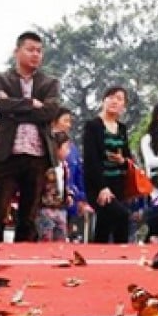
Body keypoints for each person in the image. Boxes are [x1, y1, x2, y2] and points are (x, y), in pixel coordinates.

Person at [0, 31, 60, 242]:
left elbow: (50, 112)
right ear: (17, 52)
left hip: (38, 156)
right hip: (7, 153)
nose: (35, 54)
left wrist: (14, 107)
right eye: (30, 49)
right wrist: (31, 103)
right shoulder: (2, 78)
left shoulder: (49, 83)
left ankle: (25, 255)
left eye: (39, 51)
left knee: (29, 216)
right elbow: (0, 104)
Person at [83, 86, 134, 243]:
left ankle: (100, 255)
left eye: (119, 99)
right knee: (122, 216)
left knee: (104, 225)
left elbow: (128, 157)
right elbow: (91, 160)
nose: (114, 101)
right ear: (103, 101)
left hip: (118, 183)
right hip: (99, 185)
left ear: (124, 106)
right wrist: (102, 187)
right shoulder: (93, 126)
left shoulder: (122, 128)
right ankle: (122, 252)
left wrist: (122, 160)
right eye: (111, 97)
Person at [51, 107, 89, 240]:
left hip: (71, 202)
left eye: (70, 121)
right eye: (65, 121)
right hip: (50, 204)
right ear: (54, 121)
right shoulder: (45, 144)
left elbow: (79, 174)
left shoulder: (72, 148)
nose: (69, 125)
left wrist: (82, 199)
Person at [37, 131, 74, 241]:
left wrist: (68, 195)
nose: (68, 151)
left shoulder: (64, 166)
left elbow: (65, 184)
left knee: (61, 236)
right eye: (66, 147)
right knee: (46, 236)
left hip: (60, 208)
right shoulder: (45, 166)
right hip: (45, 208)